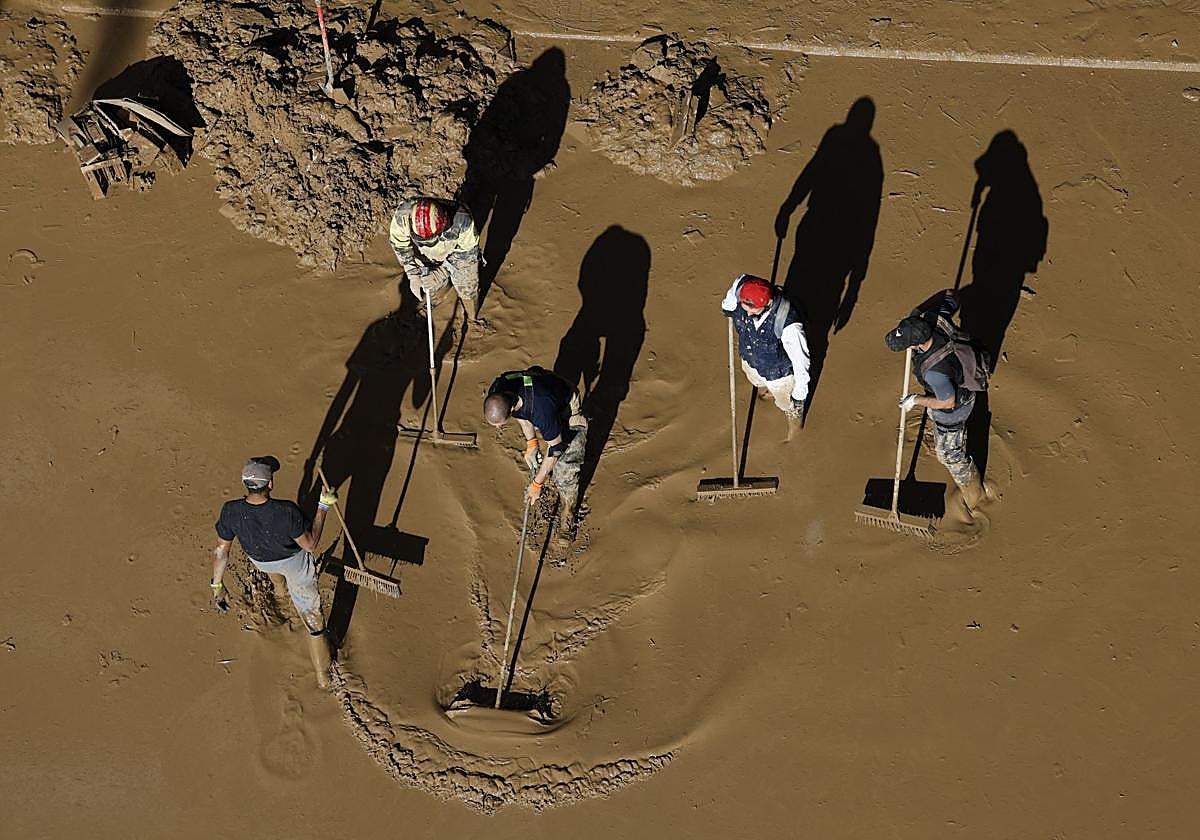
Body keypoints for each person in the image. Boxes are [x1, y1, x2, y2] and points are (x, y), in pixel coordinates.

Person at [211, 456, 339, 688]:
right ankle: (322, 675)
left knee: (275, 573)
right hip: (294, 563)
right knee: (314, 619)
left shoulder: (230, 510)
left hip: (261, 561)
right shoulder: (286, 510)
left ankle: (281, 593)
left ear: (245, 483)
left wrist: (217, 585)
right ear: (269, 484)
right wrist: (323, 506)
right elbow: (310, 544)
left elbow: (221, 551)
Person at [885, 290, 993, 516]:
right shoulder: (934, 319)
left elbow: (947, 402)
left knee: (948, 454)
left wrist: (916, 400)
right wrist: (917, 313)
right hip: (956, 378)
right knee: (937, 414)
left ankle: (975, 495)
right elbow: (949, 295)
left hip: (956, 405)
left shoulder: (935, 371)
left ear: (917, 344)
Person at [483, 367, 587, 540]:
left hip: (565, 404)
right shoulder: (499, 388)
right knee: (545, 439)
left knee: (566, 464)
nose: (499, 427)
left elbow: (555, 448)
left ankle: (568, 512)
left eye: (500, 424)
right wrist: (531, 443)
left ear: (511, 406)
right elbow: (521, 415)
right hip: (540, 387)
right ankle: (546, 469)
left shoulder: (541, 410)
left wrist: (537, 484)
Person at [721, 273, 811, 440]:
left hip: (778, 375)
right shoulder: (741, 287)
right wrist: (728, 306)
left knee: (788, 404)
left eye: (753, 310)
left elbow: (802, 363)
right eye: (744, 307)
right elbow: (733, 293)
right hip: (750, 359)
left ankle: (795, 427)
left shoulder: (789, 325)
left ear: (767, 303)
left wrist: (799, 396)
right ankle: (766, 387)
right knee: (756, 380)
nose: (747, 314)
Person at [388, 196, 482, 320]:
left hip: (456, 251)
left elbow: (467, 254)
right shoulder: (403, 216)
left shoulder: (462, 221)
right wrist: (412, 272)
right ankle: (441, 292)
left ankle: (472, 316)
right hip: (423, 253)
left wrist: (442, 271)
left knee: (467, 287)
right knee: (428, 282)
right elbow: (400, 245)